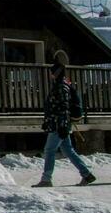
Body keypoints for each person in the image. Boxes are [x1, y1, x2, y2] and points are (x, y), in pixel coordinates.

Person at [34, 51, 97, 188]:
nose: (50, 75)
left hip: (59, 125)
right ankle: (87, 174)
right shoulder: (61, 85)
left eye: (52, 72)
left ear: (55, 73)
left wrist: (61, 125)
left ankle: (46, 179)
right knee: (68, 150)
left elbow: (63, 108)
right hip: (58, 123)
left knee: (49, 151)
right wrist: (48, 121)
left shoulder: (61, 87)